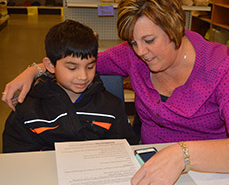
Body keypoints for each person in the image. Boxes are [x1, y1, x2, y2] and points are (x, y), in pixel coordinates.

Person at [2, 0, 229, 185]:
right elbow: (79, 63)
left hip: (209, 174)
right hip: (147, 171)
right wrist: (35, 70)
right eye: (133, 42)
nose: (141, 52)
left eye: (149, 40)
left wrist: (182, 154)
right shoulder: (134, 56)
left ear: (176, 27)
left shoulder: (220, 67)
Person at [2, 19, 138, 153]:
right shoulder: (28, 110)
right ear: (50, 65)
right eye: (72, 68)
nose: (83, 76)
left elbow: (125, 148)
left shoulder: (111, 106)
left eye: (90, 67)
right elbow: (16, 157)